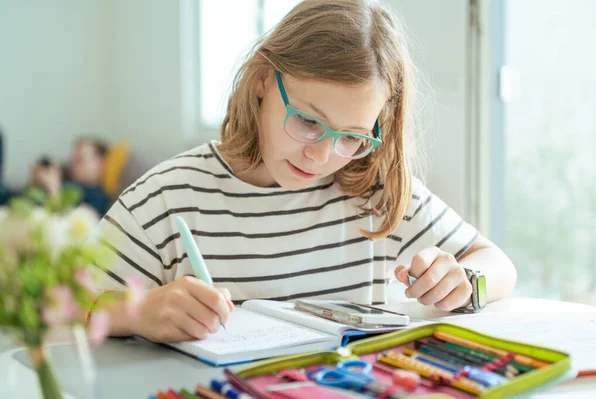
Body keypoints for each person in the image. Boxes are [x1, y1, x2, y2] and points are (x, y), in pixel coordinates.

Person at [94, 0, 517, 343]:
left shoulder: (373, 194)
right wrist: (138, 311)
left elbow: (498, 265)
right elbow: (61, 307)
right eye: (309, 122)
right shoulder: (166, 197)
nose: (321, 155)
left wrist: (466, 280)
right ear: (263, 80)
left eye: (351, 137)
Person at [30, 138, 111, 216]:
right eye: (72, 159)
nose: (72, 164)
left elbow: (71, 223)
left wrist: (53, 188)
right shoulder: (67, 180)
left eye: (79, 160)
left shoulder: (98, 198)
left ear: (101, 163)